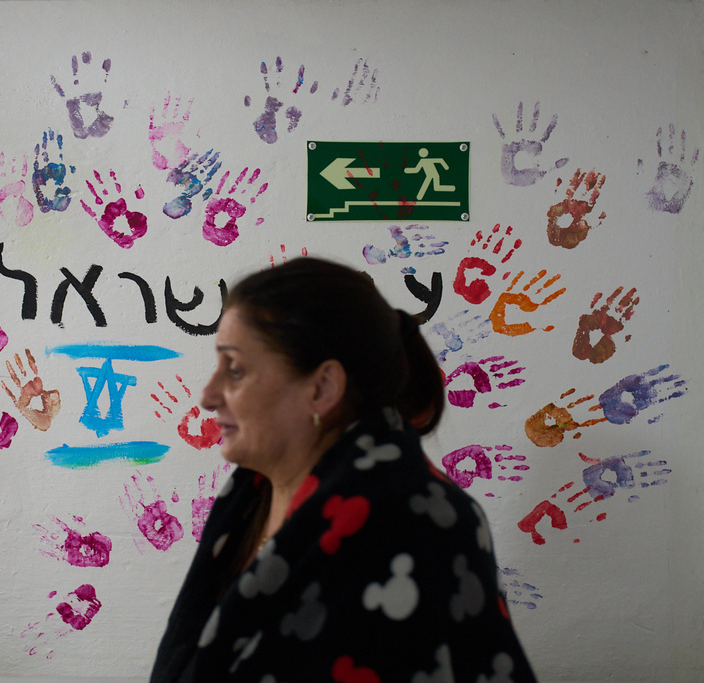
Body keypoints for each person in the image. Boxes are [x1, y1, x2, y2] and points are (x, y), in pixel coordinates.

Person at [151, 257, 536, 682]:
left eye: (235, 369)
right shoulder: (249, 495)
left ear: (322, 388)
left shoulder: (418, 522)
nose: (207, 395)